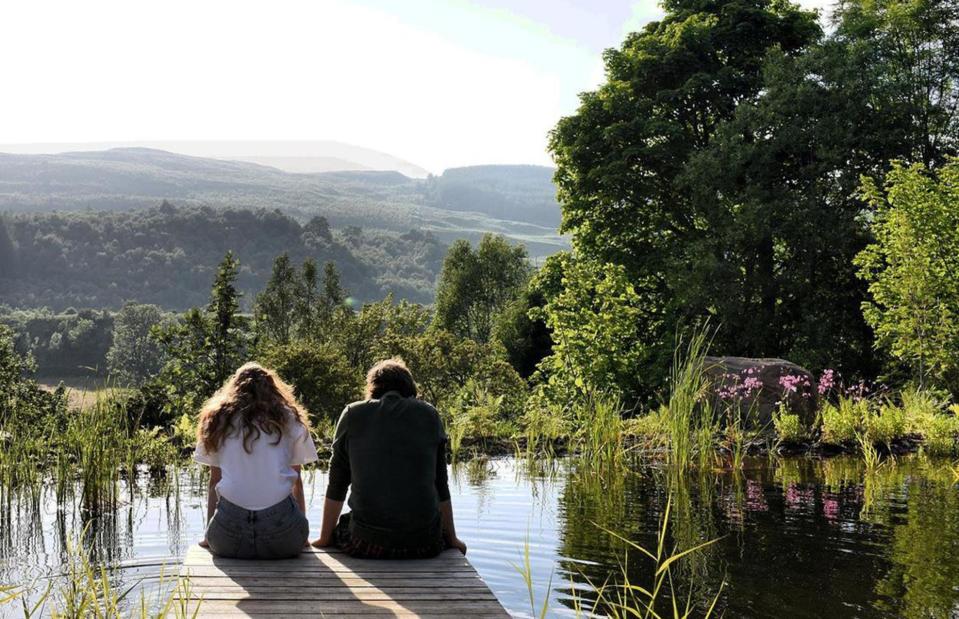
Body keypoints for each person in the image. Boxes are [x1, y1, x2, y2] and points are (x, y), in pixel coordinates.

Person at [311, 358, 467, 558]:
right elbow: (441, 484)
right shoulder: (429, 414)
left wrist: (325, 538)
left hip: (366, 542)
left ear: (372, 389)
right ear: (410, 388)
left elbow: (337, 483)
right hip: (424, 543)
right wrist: (452, 539)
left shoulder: (353, 413)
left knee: (346, 525)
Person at [194, 362, 318, 559]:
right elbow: (297, 483)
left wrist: (210, 536)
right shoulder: (289, 418)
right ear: (273, 388)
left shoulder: (217, 419)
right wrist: (301, 537)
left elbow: (214, 483)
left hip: (228, 539)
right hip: (283, 538)